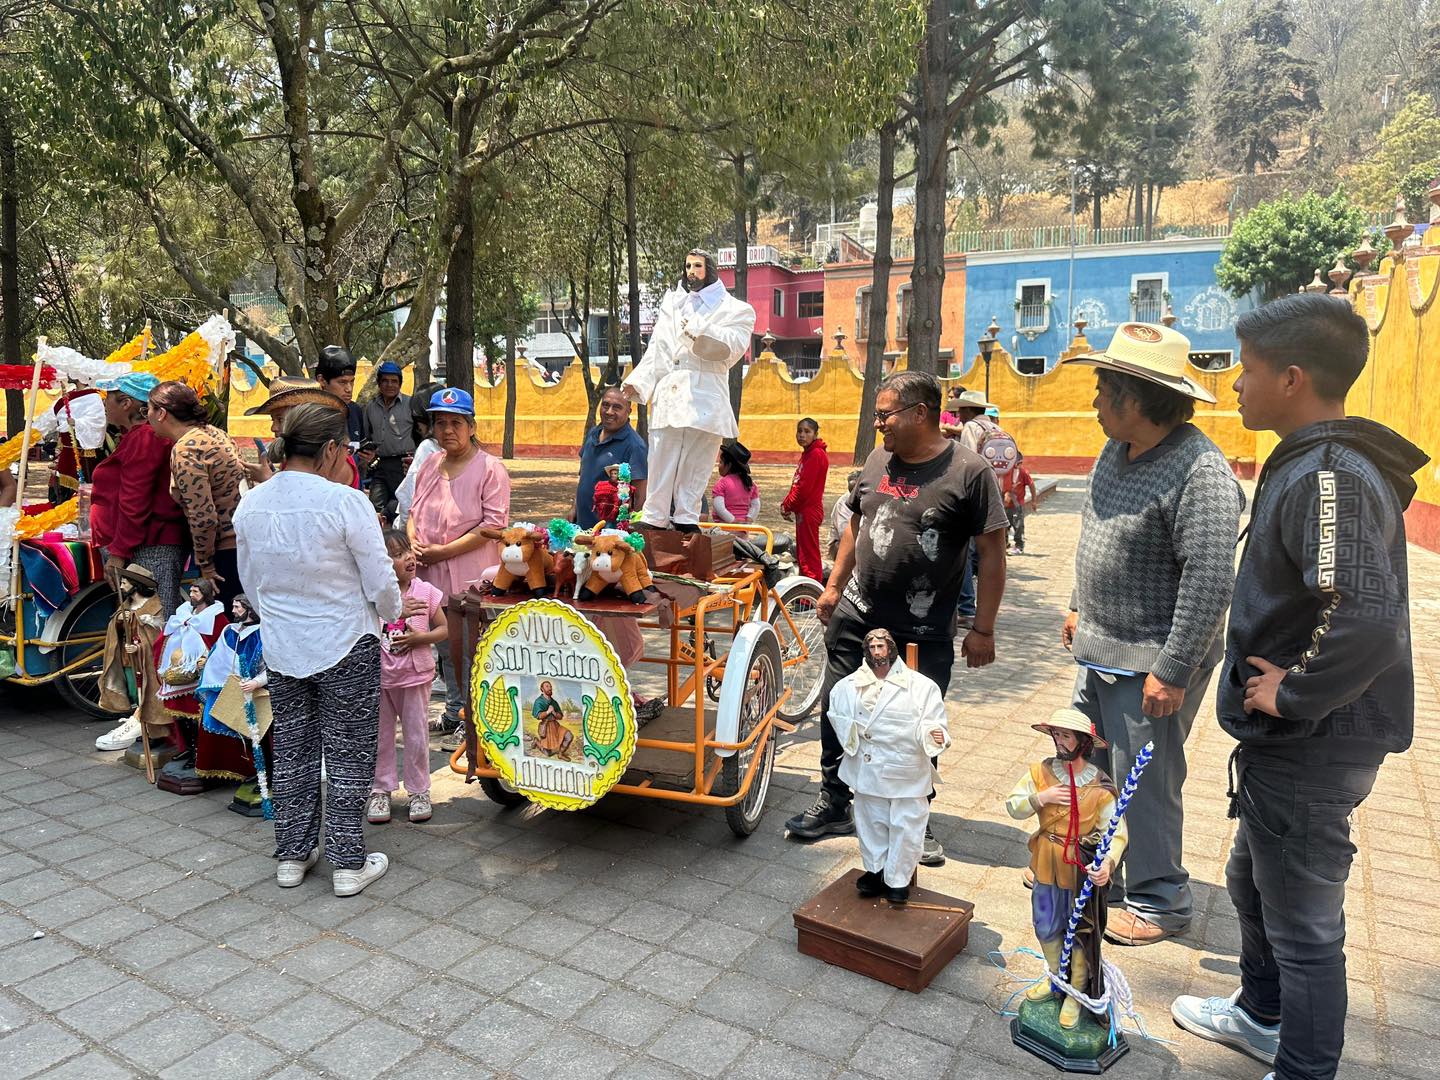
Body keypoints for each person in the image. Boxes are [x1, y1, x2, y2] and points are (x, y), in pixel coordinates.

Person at [1170, 294, 1427, 1080]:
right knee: (1254, 877)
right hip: (1290, 751)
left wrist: (1293, 694)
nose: (1234, 386)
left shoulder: (1327, 475)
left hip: (1313, 746)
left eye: (1245, 372)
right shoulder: (1315, 464)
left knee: (1306, 926)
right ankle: (1260, 1015)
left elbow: (1368, 617)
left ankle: (1305, 1066)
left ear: (1290, 377)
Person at [1057, 322, 1244, 947]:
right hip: (1101, 651)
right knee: (1095, 770)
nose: (1095, 401)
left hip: (1151, 664)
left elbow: (1211, 579)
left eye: (1104, 388)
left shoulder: (1201, 471)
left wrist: (1174, 669)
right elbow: (1095, 527)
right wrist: (1080, 605)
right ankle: (1100, 868)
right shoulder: (1117, 450)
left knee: (1149, 781)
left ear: (1137, 397)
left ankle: (1161, 900)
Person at [786, 370, 1008, 864]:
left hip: (921, 632)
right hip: (857, 616)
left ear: (920, 414)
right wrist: (834, 586)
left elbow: (992, 554)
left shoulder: (968, 472)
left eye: (885, 414)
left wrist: (984, 628)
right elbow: (856, 524)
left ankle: (913, 818)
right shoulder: (877, 459)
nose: (878, 422)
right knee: (838, 710)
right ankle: (836, 802)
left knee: (914, 725)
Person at [234, 403, 404, 898]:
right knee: (348, 753)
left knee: (292, 748)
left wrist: (281, 616)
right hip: (347, 640)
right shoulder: (345, 503)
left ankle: (292, 854)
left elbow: (251, 581)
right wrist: (392, 611)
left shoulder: (252, 504)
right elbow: (381, 581)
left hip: (285, 644)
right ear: (331, 449)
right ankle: (348, 862)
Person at [1007, 709, 1127, 1030]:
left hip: (1079, 868)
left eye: (1066, 736)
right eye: (1056, 734)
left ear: (1083, 742)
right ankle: (1055, 977)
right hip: (1046, 861)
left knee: (1078, 932)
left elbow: (1116, 833)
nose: (1060, 742)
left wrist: (1107, 863)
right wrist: (1039, 797)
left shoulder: (1100, 787)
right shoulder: (1041, 772)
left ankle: (1075, 992)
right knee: (1045, 924)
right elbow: (1013, 805)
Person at [622, 248, 756, 532]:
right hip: (670, 392)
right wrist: (641, 379)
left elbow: (730, 349)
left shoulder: (737, 310)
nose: (691, 271)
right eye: (687, 265)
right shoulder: (672, 302)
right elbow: (658, 347)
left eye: (697, 265)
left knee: (697, 461)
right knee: (660, 456)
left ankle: (686, 516)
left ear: (710, 268)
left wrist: (697, 330)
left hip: (706, 393)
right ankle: (655, 515)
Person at [406, 388, 510, 750]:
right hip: (429, 572)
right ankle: (454, 710)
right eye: (440, 422)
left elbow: (491, 527)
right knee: (443, 646)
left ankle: (474, 718)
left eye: (455, 423)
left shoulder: (490, 468)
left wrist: (443, 551)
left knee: (470, 646)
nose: (447, 430)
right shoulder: (432, 464)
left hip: (469, 572)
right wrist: (414, 542)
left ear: (471, 426)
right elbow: (412, 513)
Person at [827, 629, 949, 905]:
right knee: (871, 824)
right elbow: (836, 715)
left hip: (904, 771)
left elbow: (934, 721)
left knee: (906, 827)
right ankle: (876, 871)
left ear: (892, 649)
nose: (877, 652)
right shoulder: (847, 686)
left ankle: (897, 880)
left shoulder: (922, 687)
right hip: (866, 769)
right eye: (872, 647)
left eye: (881, 646)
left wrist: (933, 735)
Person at [91, 372, 187, 624]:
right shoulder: (136, 436)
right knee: (138, 625)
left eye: (108, 399)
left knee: (150, 624)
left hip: (149, 545)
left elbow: (135, 498)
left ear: (126, 403)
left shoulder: (145, 437)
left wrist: (119, 551)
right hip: (141, 543)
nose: (104, 405)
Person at [367, 530, 447, 826]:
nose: (408, 558)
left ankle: (419, 791)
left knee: (416, 736)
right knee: (382, 737)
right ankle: (380, 790)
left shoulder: (426, 592)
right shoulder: (373, 596)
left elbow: (444, 629)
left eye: (408, 551)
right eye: (397, 555)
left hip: (415, 677)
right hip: (381, 678)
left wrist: (420, 638)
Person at [147, 381, 247, 607]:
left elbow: (203, 515)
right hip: (242, 540)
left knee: (226, 624)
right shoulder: (214, 433)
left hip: (226, 549)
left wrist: (206, 564)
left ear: (162, 413)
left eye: (149, 410)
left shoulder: (186, 449)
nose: (148, 417)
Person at [575, 386, 648, 529]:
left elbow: (639, 496)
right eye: (605, 405)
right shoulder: (593, 434)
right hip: (582, 524)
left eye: (617, 407)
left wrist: (627, 530)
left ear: (628, 411)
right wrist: (574, 507)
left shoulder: (635, 446)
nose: (609, 412)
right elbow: (583, 475)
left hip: (609, 533)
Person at [362, 361, 415, 520]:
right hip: (380, 465)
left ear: (400, 383)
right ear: (379, 383)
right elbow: (367, 435)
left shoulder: (410, 404)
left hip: (404, 465)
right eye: (385, 381)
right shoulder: (370, 407)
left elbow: (421, 433)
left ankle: (401, 543)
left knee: (401, 508)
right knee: (374, 509)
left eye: (394, 381)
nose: (389, 385)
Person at [781, 417, 829, 580]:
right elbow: (797, 483)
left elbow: (803, 489)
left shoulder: (816, 454)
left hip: (809, 510)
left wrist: (787, 506)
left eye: (807, 431)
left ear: (815, 434)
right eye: (799, 431)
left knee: (809, 555)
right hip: (803, 510)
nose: (802, 435)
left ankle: (810, 594)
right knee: (803, 553)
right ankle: (805, 592)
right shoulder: (809, 453)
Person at [710, 440, 759, 524]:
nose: (718, 465)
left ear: (729, 465)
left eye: (721, 462)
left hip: (724, 529)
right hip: (743, 529)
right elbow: (756, 505)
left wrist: (733, 521)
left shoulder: (722, 483)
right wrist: (749, 519)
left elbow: (719, 507)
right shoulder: (750, 483)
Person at [1003, 452, 1038, 555]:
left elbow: (1031, 485)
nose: (1018, 465)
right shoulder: (1005, 472)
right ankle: (1004, 545)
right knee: (1003, 527)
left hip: (1017, 506)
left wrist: (1034, 501)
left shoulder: (1022, 473)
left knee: (1018, 526)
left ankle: (1019, 546)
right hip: (1004, 505)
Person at [531, 680, 574, 758]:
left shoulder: (554, 702)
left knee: (569, 736)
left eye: (550, 686)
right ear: (542, 689)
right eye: (547, 686)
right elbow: (538, 716)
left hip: (555, 725)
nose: (550, 688)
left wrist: (554, 712)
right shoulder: (539, 701)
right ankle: (537, 742)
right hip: (546, 727)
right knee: (548, 754)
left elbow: (560, 716)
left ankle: (560, 754)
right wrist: (547, 712)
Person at [827, 469, 861, 564]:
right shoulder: (843, 503)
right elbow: (845, 533)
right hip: (840, 544)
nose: (855, 495)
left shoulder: (869, 498)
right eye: (852, 491)